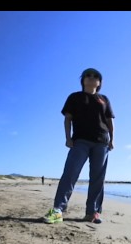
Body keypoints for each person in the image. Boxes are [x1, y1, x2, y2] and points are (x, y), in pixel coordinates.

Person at [43, 67, 115, 224]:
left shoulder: (104, 99)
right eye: (87, 75)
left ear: (99, 82)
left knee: (98, 178)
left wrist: (112, 139)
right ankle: (57, 210)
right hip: (80, 141)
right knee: (70, 173)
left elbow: (110, 121)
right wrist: (68, 138)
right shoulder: (75, 97)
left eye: (95, 76)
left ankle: (92, 212)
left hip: (101, 143)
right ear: (82, 80)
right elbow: (68, 118)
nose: (91, 77)